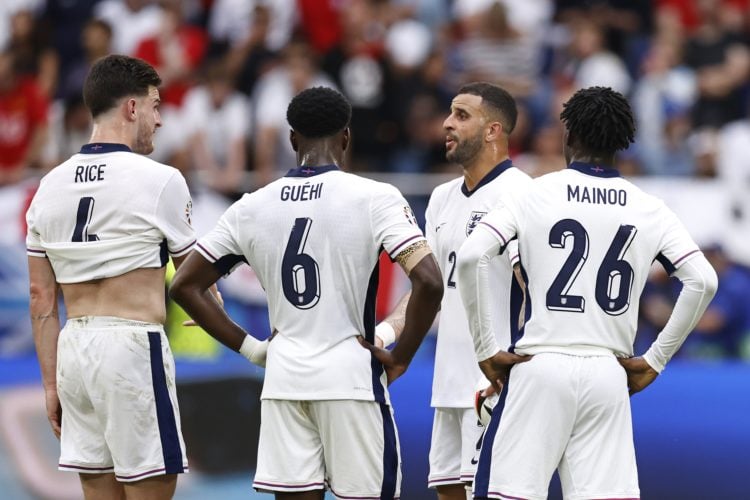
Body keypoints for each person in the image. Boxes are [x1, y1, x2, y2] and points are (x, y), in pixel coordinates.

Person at [169, 86, 443, 499]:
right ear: (346, 137)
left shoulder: (251, 206)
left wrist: (252, 349)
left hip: (284, 381)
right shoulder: (375, 198)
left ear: (292, 138)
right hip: (351, 379)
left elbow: (185, 285)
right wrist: (400, 357)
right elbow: (429, 280)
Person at [457, 86, 718, 500]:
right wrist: (655, 359)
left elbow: (472, 257)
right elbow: (703, 281)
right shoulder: (650, 207)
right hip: (607, 374)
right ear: (621, 144)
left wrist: (487, 348)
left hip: (540, 366)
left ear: (569, 137)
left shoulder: (533, 193)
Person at [27, 54, 195, 499]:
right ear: (132, 108)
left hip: (73, 353)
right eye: (156, 106)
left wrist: (50, 384)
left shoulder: (48, 186)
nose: (160, 120)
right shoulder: (160, 180)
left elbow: (40, 297)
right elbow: (196, 278)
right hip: (132, 346)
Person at [374, 82, 531, 500]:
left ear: (493, 130)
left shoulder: (524, 195)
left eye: (462, 115)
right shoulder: (442, 198)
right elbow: (430, 289)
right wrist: (384, 336)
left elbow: (536, 290)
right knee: (448, 492)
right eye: (450, 113)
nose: (447, 123)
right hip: (448, 381)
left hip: (498, 382)